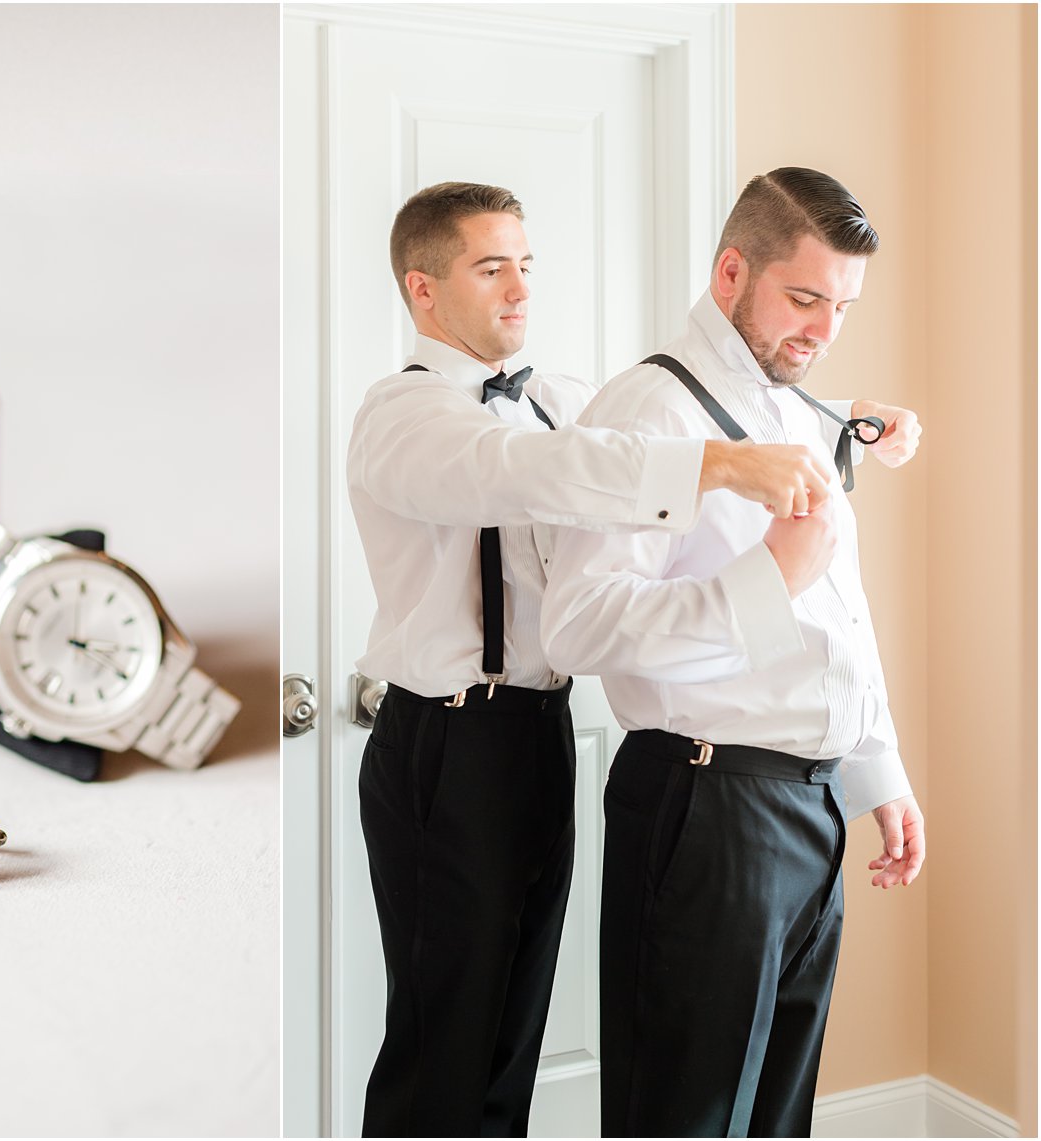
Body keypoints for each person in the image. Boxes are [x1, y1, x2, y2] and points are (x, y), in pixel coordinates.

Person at [347, 180, 921, 1137]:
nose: (521, 289)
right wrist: (719, 467)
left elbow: (682, 412)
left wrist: (841, 416)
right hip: (441, 738)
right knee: (442, 1043)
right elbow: (541, 470)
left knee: (510, 1033)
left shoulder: (564, 402)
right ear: (423, 288)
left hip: (538, 731)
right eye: (492, 268)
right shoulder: (401, 418)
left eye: (527, 264)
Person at [540, 167, 926, 1138]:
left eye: (840, 306)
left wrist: (879, 770)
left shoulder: (797, 414)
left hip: (809, 807)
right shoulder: (643, 414)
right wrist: (769, 577)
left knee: (774, 1117)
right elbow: (577, 625)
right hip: (701, 809)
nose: (822, 330)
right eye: (802, 298)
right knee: (684, 1117)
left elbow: (840, 610)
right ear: (729, 273)